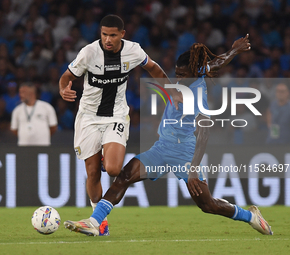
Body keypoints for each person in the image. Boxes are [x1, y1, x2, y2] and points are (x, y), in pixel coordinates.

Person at [64, 34, 273, 236]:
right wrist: (234, 50)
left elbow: (204, 133)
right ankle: (95, 223)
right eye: (177, 74)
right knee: (124, 177)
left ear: (193, 73)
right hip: (162, 148)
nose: (178, 79)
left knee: (207, 205)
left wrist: (193, 170)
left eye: (182, 75)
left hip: (184, 152)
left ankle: (250, 216)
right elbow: (215, 65)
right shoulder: (197, 72)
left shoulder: (196, 96)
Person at [59, 14, 180, 236]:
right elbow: (66, 75)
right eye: (104, 34)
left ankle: (108, 154)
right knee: (93, 172)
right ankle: (99, 223)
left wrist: (170, 90)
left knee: (114, 169)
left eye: (113, 35)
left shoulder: (133, 51)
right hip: (88, 118)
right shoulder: (88, 53)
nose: (108, 39)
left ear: (122, 35)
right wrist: (63, 88)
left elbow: (153, 68)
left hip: (116, 115)